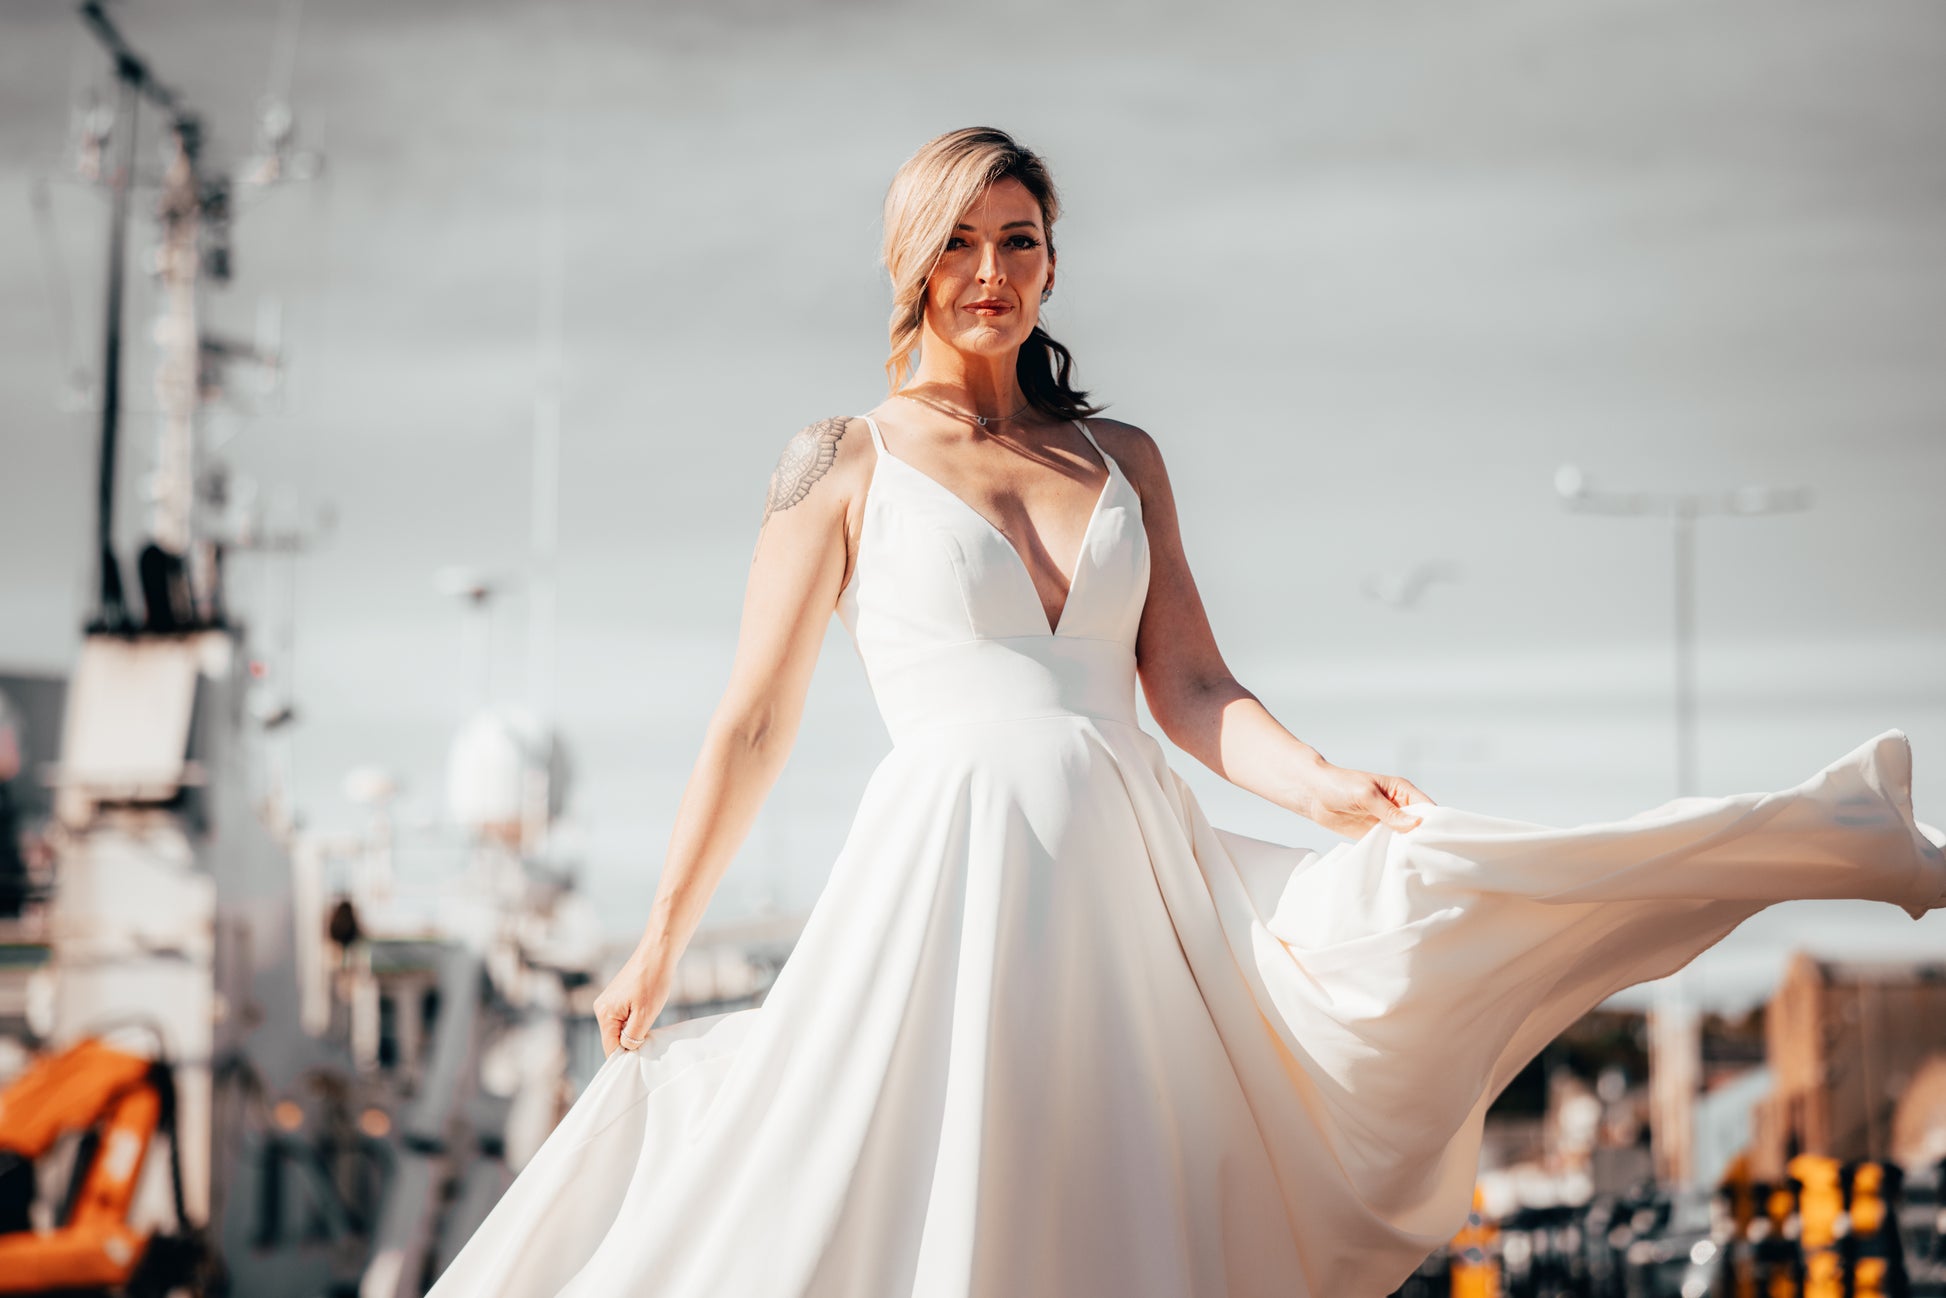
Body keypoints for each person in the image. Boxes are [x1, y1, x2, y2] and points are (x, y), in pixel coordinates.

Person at [425, 126, 1945, 1298]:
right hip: (946, 877)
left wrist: (1322, 786)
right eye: (959, 240)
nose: (991, 270)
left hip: (1134, 873)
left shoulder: (1121, 456)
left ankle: (1831, 833)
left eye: (1018, 240)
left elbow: (1192, 687)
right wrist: (662, 933)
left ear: (1051, 262)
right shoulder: (839, 462)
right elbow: (750, 723)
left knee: (1356, 967)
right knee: (893, 1192)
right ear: (908, 257)